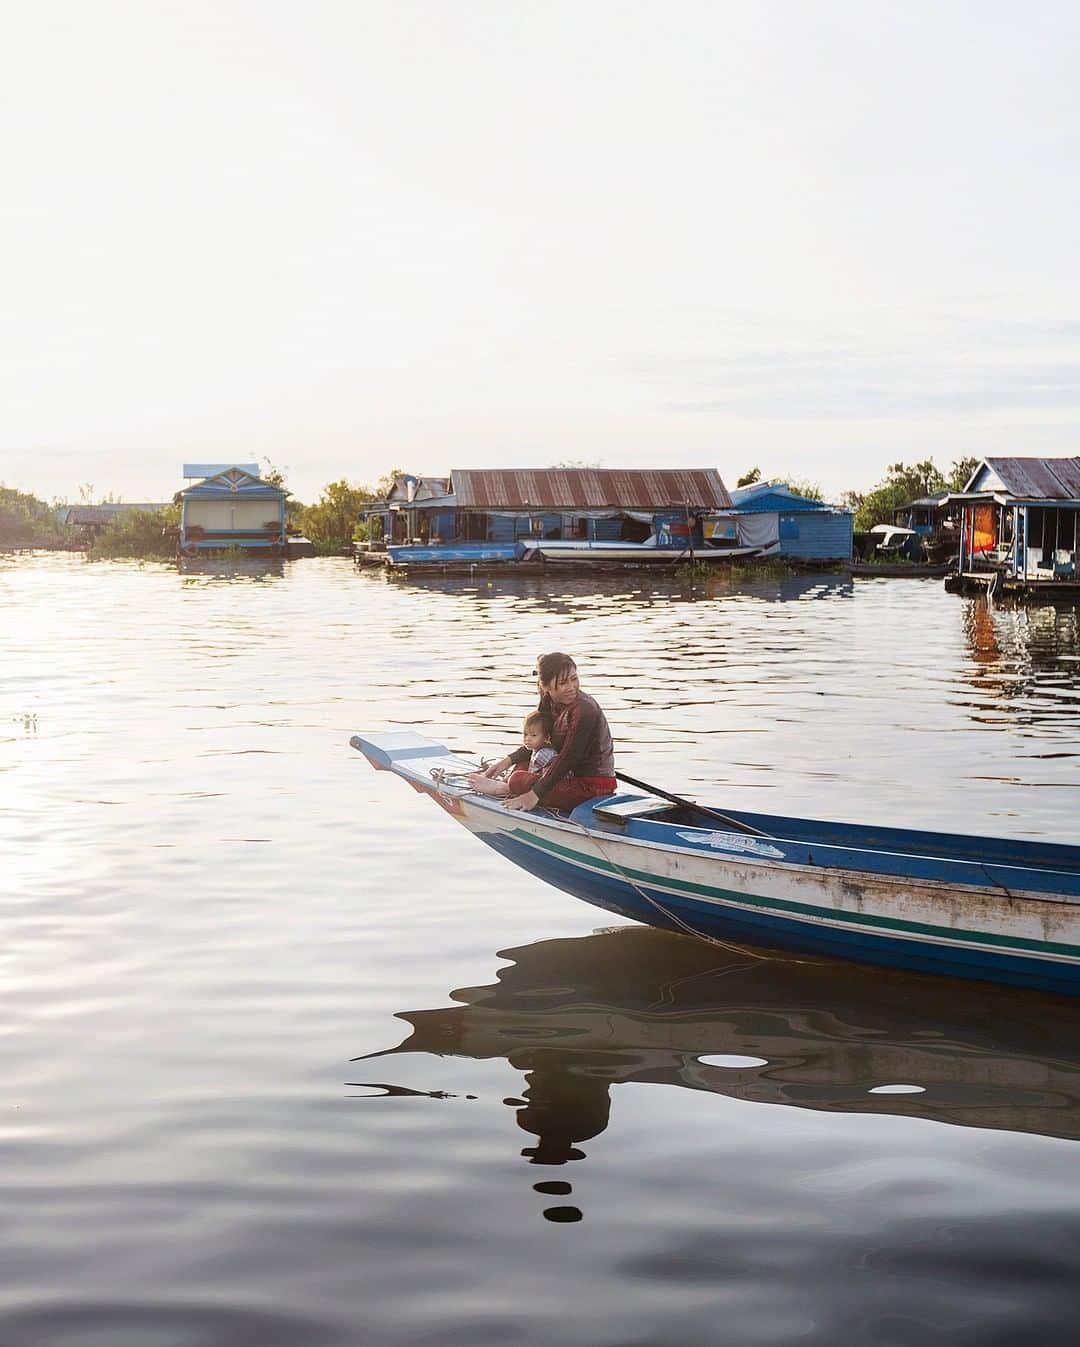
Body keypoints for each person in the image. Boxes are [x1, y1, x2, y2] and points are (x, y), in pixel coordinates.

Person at [469, 652, 616, 812]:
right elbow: (540, 741)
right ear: (545, 687)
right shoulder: (549, 701)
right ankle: (509, 784)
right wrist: (507, 761)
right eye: (563, 683)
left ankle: (504, 789)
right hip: (566, 776)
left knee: (517, 779)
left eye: (574, 679)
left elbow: (569, 758)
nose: (572, 688)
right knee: (524, 763)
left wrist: (534, 795)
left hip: (591, 787)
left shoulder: (584, 710)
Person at [469, 711, 557, 798]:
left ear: (546, 737)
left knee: (517, 777)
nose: (528, 739)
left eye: (533, 735)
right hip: (534, 779)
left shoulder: (544, 754)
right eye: (525, 734)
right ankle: (505, 782)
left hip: (542, 787)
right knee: (522, 763)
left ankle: (506, 789)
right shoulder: (535, 750)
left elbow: (550, 775)